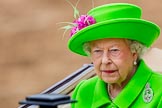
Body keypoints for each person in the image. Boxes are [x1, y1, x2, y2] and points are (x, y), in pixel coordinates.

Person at [66, 3, 162, 108]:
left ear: (134, 52)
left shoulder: (159, 91)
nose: (105, 60)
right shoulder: (84, 91)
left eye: (114, 50)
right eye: (98, 51)